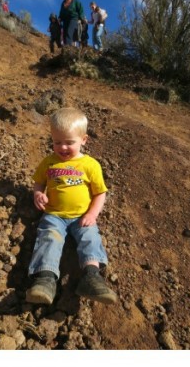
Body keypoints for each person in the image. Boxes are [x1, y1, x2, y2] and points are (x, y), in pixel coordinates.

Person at [26, 107, 117, 306]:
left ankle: (91, 277)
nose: (63, 148)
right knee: (49, 238)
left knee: (90, 238)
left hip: (81, 216)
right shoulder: (49, 162)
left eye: (69, 142)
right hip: (54, 215)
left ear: (84, 140)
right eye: (57, 142)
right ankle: (45, 280)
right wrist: (38, 193)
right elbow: (39, 181)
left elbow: (100, 193)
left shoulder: (90, 165)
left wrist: (92, 214)